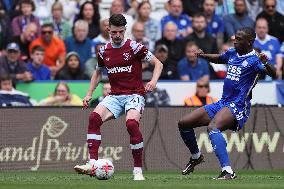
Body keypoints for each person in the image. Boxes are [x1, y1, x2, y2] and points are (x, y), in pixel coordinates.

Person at [177, 27, 276, 179]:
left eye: (239, 39)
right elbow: (219, 58)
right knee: (184, 123)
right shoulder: (232, 52)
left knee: (213, 128)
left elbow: (272, 73)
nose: (234, 41)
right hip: (223, 103)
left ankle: (228, 171)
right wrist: (202, 56)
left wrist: (266, 62)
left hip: (238, 106)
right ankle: (196, 157)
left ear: (249, 42)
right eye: (235, 38)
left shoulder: (255, 60)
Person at [74, 14, 163, 181]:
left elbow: (158, 63)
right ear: (108, 30)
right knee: (93, 118)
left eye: (121, 32)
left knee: (131, 124)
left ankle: (137, 170)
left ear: (125, 30)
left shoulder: (135, 47)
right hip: (115, 95)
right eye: (114, 32)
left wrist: (153, 81)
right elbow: (98, 73)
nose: (118, 36)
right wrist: (89, 93)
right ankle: (92, 164)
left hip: (134, 95)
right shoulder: (103, 51)